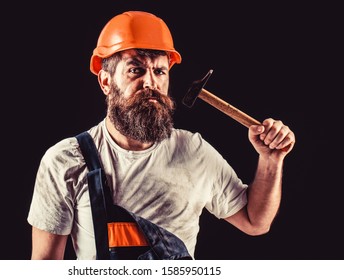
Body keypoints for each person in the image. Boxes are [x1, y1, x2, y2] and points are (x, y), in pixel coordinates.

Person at [27, 10, 296, 260]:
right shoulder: (66, 160)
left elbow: (255, 222)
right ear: (106, 81)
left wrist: (271, 160)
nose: (150, 83)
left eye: (159, 71)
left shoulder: (194, 152)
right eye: (136, 70)